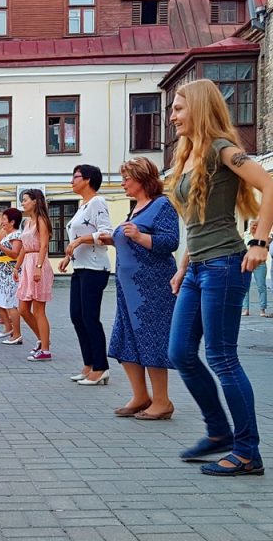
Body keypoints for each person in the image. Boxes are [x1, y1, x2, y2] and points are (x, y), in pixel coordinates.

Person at [165, 79, 273, 477]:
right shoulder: (190, 155)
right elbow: (194, 224)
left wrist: (259, 242)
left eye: (179, 108)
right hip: (198, 267)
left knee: (221, 357)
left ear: (198, 108)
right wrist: (182, 267)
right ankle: (219, 433)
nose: (173, 116)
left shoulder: (220, 149)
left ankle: (248, 451)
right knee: (180, 352)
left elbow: (271, 187)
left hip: (225, 266)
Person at [101, 158, 179, 418]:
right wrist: (113, 240)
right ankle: (140, 396)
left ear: (143, 179)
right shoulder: (135, 208)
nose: (123, 182)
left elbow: (170, 241)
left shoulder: (161, 205)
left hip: (152, 288)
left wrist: (138, 236)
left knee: (152, 339)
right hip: (127, 288)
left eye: (127, 178)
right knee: (126, 341)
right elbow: (131, 240)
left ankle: (162, 401)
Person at [59, 164, 113, 386]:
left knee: (90, 317)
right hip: (80, 268)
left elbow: (107, 233)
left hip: (95, 268)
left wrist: (80, 240)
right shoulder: (83, 206)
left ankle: (101, 367)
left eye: (76, 177)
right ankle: (89, 364)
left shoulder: (98, 202)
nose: (72, 181)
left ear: (88, 179)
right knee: (77, 316)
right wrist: (67, 256)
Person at [16, 189, 55, 361]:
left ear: (35, 201)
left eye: (25, 200)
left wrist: (38, 267)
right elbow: (24, 246)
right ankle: (43, 339)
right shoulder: (26, 222)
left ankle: (45, 349)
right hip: (27, 265)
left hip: (38, 264)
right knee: (23, 309)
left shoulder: (41, 220)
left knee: (39, 310)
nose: (22, 203)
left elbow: (44, 246)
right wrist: (16, 266)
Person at [0, 208, 23, 344]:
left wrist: (0, 246)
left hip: (11, 273)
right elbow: (1, 257)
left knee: (10, 304)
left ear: (12, 221)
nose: (2, 222)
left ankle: (17, 334)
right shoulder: (6, 235)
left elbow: (15, 254)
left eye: (4, 219)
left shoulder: (16, 235)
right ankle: (9, 328)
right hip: (2, 273)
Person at [241, 220, 268, 317]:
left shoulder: (262, 236)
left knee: (261, 286)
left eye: (256, 225)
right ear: (250, 225)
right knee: (245, 287)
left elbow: (266, 247)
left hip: (260, 263)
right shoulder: (245, 235)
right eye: (253, 225)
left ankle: (262, 309)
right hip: (248, 262)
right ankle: (246, 309)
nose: (254, 227)